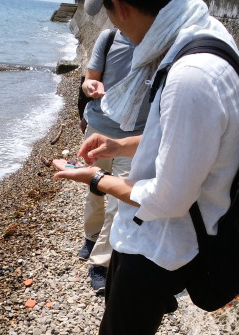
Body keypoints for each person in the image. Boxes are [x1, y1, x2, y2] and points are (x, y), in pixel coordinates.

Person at [52, 0, 239, 335]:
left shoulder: (189, 75)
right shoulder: (201, 30)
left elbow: (167, 199)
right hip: (170, 224)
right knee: (134, 320)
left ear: (121, 6)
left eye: (108, 14)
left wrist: (97, 179)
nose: (112, 26)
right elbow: (180, 133)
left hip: (170, 234)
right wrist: (121, 145)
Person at [78, 28, 150, 295]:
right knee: (93, 189)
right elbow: (89, 79)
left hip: (133, 139)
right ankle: (91, 236)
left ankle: (100, 263)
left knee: (118, 204)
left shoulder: (160, 41)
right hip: (97, 129)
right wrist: (90, 87)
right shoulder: (108, 38)